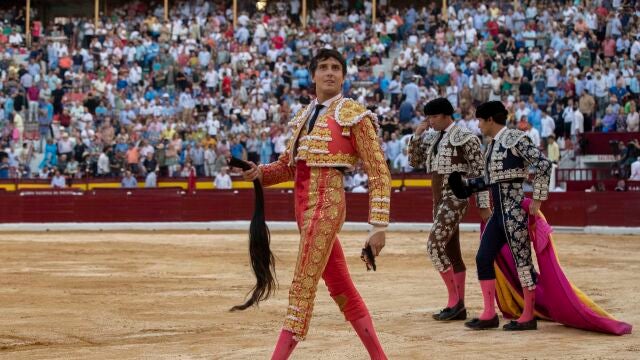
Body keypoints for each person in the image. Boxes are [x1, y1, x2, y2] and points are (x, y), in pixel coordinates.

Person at [242, 49, 390, 359]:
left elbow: (378, 172)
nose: (330, 72)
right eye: (323, 67)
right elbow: (288, 166)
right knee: (340, 287)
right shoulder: (302, 117)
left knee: (302, 284)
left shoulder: (354, 115)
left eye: (336, 67)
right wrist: (260, 173)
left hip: (327, 204)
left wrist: (378, 226)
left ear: (344, 76)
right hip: (303, 209)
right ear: (313, 75)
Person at [465, 101, 552, 331]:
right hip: (499, 215)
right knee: (483, 258)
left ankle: (528, 315)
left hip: (514, 212)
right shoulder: (491, 146)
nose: (479, 125)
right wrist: (466, 187)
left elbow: (543, 165)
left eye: (480, 120)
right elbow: (488, 181)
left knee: (522, 261)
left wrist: (537, 199)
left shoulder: (516, 139)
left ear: (490, 120)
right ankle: (488, 313)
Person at [408, 98, 490, 321]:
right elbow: (414, 162)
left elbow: (479, 173)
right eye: (429, 117)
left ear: (446, 116)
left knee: (434, 246)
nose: (430, 121)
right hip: (439, 199)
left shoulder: (466, 137)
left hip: (455, 198)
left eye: (434, 117)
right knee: (452, 252)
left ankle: (456, 302)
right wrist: (417, 135)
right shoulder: (433, 137)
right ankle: (457, 304)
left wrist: (483, 206)